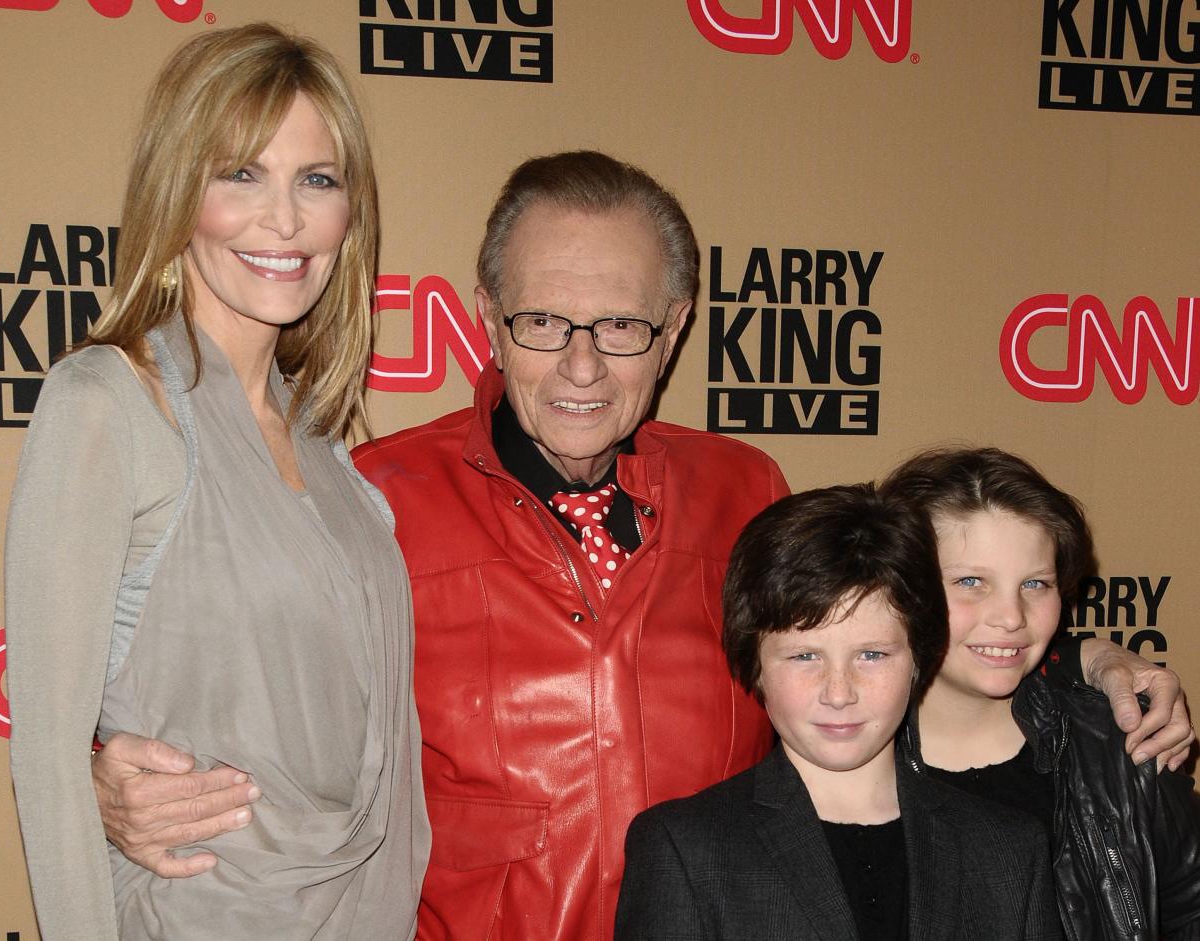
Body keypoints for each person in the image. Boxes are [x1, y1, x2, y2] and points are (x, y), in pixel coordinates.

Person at [87, 152, 1194, 940]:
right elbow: (235, 687)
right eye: (542, 322)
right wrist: (108, 774)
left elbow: (897, 617)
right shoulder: (374, 495)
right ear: (486, 314)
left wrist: (1089, 664)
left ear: (671, 329)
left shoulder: (746, 487)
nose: (580, 365)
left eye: (620, 327)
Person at [5, 24, 428, 941]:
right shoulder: (107, 404)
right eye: (240, 174)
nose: (283, 219)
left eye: (316, 180)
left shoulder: (331, 454)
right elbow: (45, 753)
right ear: (177, 190)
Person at [615, 484, 1062, 940]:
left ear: (919, 659)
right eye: (804, 657)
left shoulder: (1007, 849)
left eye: (872, 655)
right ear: (756, 666)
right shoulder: (687, 849)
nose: (839, 692)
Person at [882, 447, 1200, 940]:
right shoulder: (846, 757)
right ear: (901, 589)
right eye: (970, 581)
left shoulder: (1116, 743)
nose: (1011, 617)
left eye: (1035, 583)